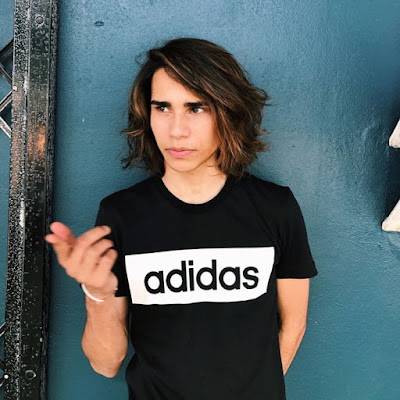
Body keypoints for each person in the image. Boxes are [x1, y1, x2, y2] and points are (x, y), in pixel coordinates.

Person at [44, 37, 318, 400]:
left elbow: (294, 323)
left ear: (228, 111)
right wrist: (98, 294)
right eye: (163, 107)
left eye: (196, 108)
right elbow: (106, 364)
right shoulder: (120, 214)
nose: (176, 130)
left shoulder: (275, 208)